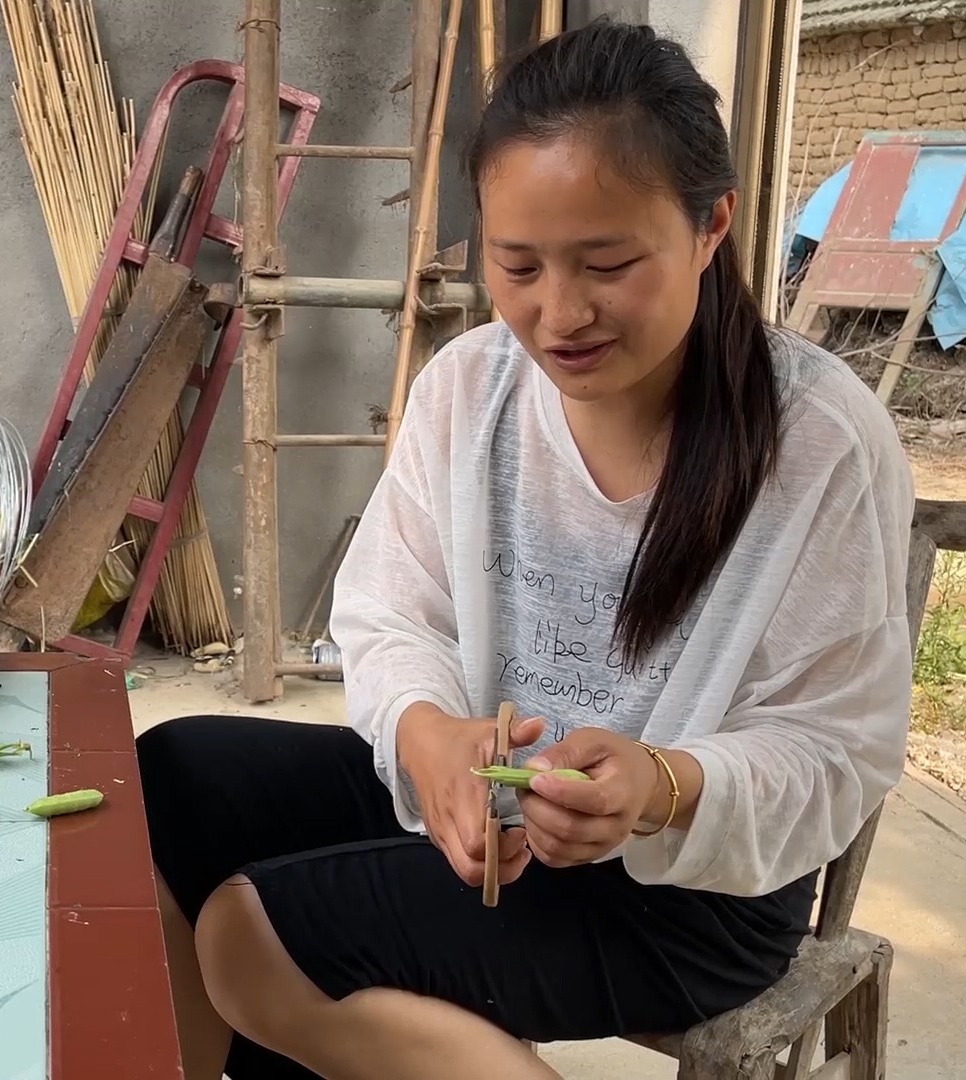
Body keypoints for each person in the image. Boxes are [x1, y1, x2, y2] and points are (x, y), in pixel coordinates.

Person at [135, 17, 915, 1080]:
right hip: (493, 815)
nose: (559, 313)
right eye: (518, 264)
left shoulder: (818, 441)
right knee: (174, 777)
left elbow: (839, 746)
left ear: (710, 225)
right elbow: (391, 611)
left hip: (693, 888)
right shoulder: (471, 389)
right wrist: (427, 739)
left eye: (608, 263)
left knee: (257, 932)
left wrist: (661, 782)